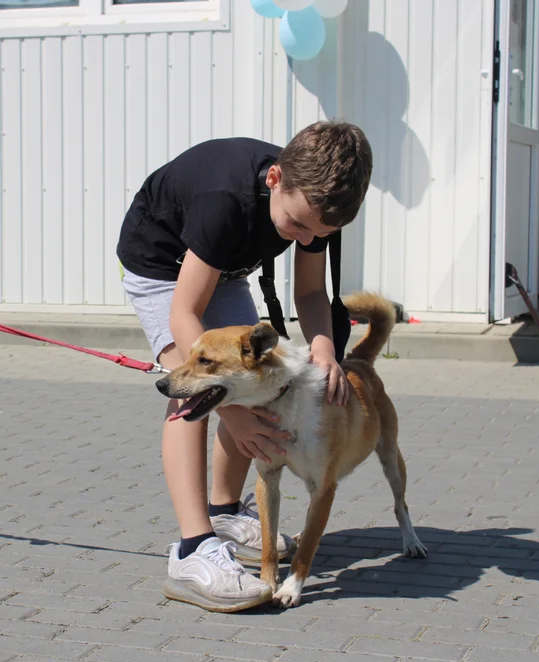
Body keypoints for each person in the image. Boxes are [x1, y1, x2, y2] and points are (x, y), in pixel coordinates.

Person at [116, 121, 374, 612]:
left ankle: (225, 513)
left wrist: (325, 349)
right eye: (297, 226)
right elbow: (184, 313)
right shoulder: (224, 201)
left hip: (227, 268)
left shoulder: (315, 205)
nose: (305, 237)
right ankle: (193, 551)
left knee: (259, 383)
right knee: (192, 396)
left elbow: (312, 292)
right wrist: (226, 409)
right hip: (159, 265)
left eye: (319, 234)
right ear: (275, 178)